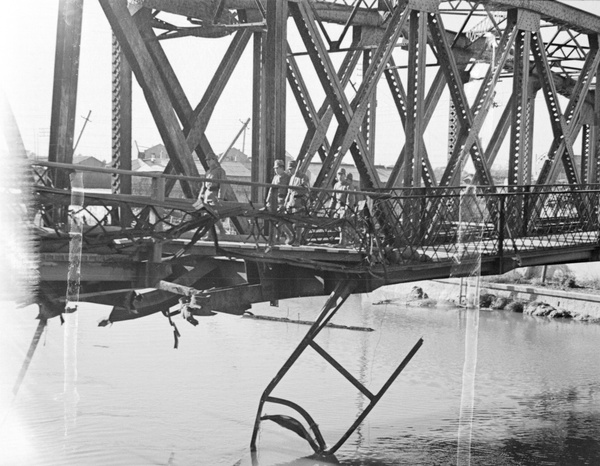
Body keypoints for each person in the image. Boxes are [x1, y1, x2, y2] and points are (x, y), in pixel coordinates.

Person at [193, 152, 226, 235]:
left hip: (214, 195)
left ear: (214, 160)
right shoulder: (208, 172)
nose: (207, 162)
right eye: (206, 160)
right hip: (207, 195)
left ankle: (221, 230)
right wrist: (200, 196)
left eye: (209, 160)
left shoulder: (220, 171)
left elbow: (223, 185)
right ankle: (210, 234)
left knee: (213, 215)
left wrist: (220, 197)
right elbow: (204, 186)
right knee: (207, 215)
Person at [266, 159, 293, 244]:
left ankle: (283, 235)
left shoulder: (287, 177)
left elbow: (290, 190)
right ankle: (283, 235)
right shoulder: (275, 177)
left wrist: (288, 201)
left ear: (282, 168)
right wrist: (268, 200)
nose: (275, 170)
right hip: (275, 200)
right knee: (276, 219)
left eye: (277, 168)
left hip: (283, 199)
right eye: (275, 168)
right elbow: (271, 189)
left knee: (280, 219)